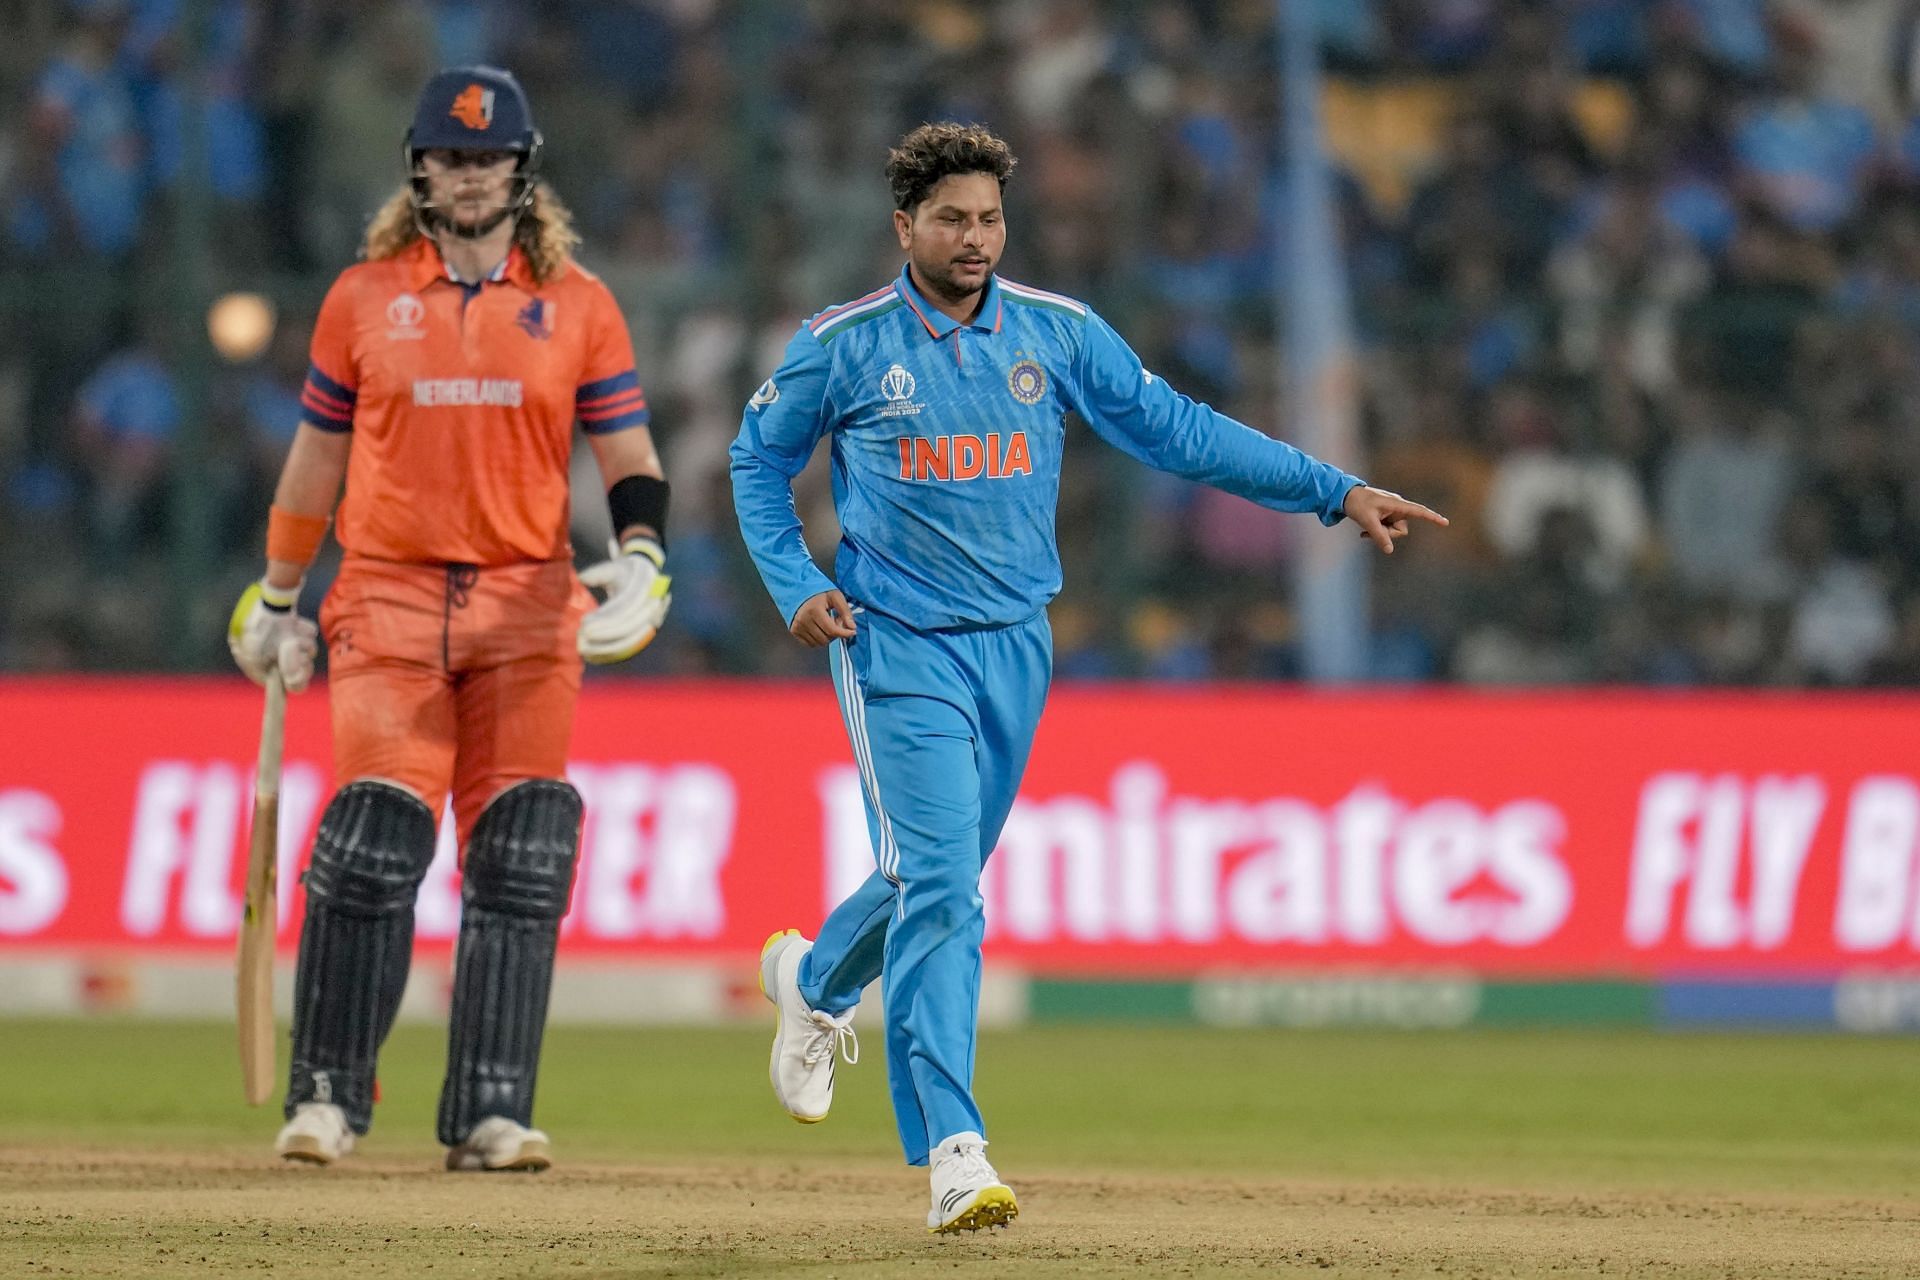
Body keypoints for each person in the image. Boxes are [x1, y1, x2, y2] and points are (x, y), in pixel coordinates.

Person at [728, 122, 1445, 1232]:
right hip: (893, 641)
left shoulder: (1056, 333)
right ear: (903, 226)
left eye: (990, 219)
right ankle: (954, 1149)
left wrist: (1332, 488)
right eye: (953, 219)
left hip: (1017, 642)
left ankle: (812, 980)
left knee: (936, 871)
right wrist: (793, 582)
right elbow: (756, 461)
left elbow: (1179, 431)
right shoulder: (847, 344)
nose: (975, 238)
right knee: (948, 892)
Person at [226, 65, 671, 1172]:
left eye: (489, 157)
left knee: (521, 854)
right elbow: (316, 458)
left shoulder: (581, 305)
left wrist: (647, 558)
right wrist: (277, 593)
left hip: (529, 602)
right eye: (452, 156)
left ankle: (489, 1109)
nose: (470, 175)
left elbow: (628, 456)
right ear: (419, 168)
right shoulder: (363, 297)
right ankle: (328, 1094)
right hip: (387, 592)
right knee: (374, 838)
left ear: (522, 170)